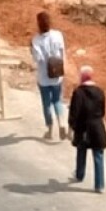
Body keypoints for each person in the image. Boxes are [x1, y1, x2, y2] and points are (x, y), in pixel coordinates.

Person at [68, 65, 106, 193]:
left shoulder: (78, 92)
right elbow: (102, 111)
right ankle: (99, 184)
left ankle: (80, 174)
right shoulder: (100, 91)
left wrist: (71, 127)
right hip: (97, 126)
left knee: (81, 151)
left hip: (83, 127)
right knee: (98, 155)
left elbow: (74, 112)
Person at [30, 10, 67, 140]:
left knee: (46, 103)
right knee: (57, 100)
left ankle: (49, 129)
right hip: (57, 75)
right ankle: (62, 123)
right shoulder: (58, 35)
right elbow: (63, 52)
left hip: (44, 77)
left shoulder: (36, 40)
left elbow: (37, 59)